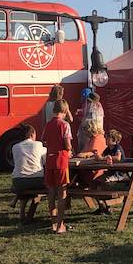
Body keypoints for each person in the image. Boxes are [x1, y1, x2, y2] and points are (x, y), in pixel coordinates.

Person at [41, 99, 73, 234]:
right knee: (62, 192)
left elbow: (44, 142)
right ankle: (60, 225)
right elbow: (67, 144)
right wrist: (70, 149)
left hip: (50, 160)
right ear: (65, 111)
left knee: (51, 192)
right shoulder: (64, 125)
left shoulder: (48, 124)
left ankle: (53, 223)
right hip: (61, 161)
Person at [10, 123, 46, 197]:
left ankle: (22, 208)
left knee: (22, 188)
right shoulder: (38, 144)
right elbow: (45, 160)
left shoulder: (15, 147)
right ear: (32, 135)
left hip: (18, 182)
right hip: (37, 180)